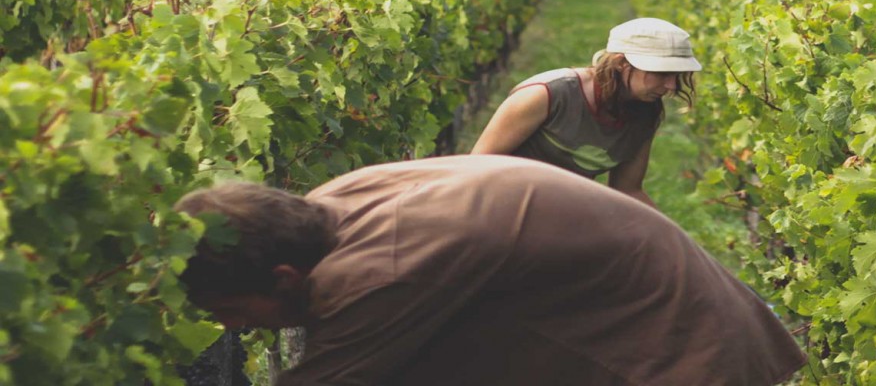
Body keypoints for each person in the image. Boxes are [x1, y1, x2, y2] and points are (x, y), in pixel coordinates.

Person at [174, 155, 807, 386]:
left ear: (285, 277)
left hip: (675, 352)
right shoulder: (338, 202)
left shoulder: (382, 267)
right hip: (623, 321)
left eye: (229, 311)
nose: (234, 328)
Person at [471, 18, 697, 208]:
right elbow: (476, 169)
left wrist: (673, 241)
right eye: (661, 73)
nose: (672, 86)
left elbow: (627, 190)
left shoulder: (645, 112)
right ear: (621, 63)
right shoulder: (546, 95)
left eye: (676, 75)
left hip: (567, 214)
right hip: (503, 204)